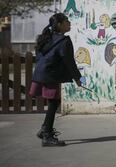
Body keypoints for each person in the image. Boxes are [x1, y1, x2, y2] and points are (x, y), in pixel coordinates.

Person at [30, 13, 82, 147]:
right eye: (66, 21)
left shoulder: (47, 38)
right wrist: (77, 78)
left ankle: (44, 129)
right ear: (59, 24)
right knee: (53, 102)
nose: (69, 23)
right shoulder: (64, 41)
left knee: (53, 101)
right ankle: (47, 135)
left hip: (41, 72)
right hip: (50, 74)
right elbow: (69, 62)